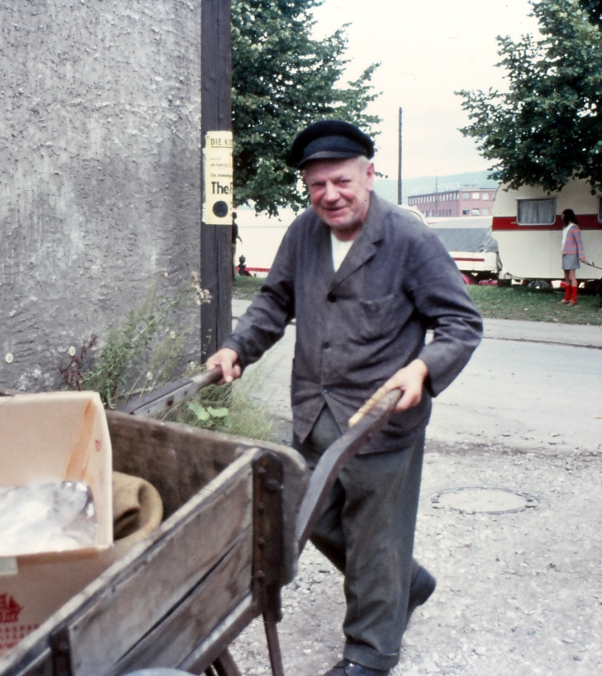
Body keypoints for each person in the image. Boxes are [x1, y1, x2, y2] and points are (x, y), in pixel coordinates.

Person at [204, 120, 483, 676]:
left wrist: (422, 369)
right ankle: (408, 583)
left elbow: (460, 322)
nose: (329, 195)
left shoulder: (409, 238)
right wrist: (237, 348)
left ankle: (370, 653)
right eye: (316, 186)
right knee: (309, 518)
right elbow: (272, 302)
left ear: (368, 175)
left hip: (382, 421)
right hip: (313, 414)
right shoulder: (304, 233)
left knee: (376, 535)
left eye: (340, 181)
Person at [559, 208, 586, 306]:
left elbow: (579, 243)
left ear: (567, 216)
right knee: (566, 277)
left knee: (572, 276)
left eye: (563, 215)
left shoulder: (574, 228)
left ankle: (573, 299)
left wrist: (581, 255)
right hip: (565, 253)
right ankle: (566, 298)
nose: (561, 217)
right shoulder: (565, 228)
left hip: (572, 254)